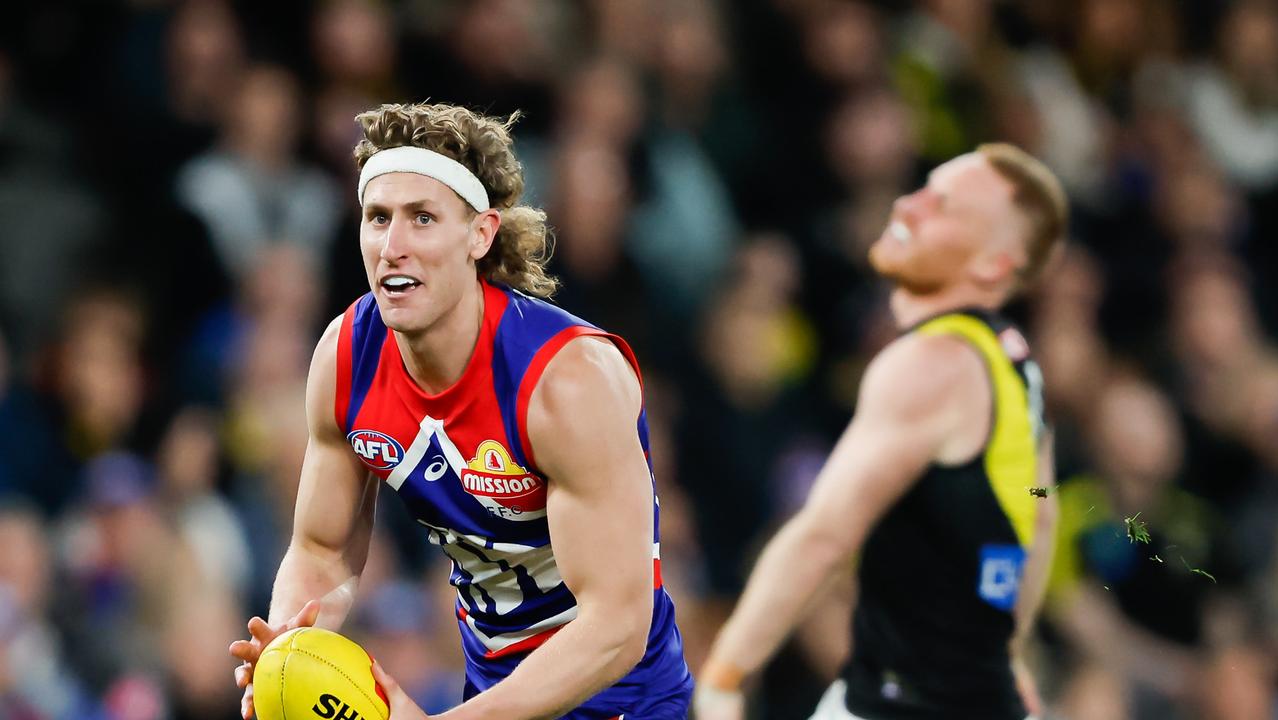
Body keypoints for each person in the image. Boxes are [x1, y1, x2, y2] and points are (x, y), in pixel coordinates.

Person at [229, 101, 693, 720]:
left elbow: (616, 627)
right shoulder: (346, 356)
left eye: (422, 218)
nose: (393, 246)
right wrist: (288, 648)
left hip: (619, 697)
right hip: (491, 691)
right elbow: (322, 549)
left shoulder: (565, 381)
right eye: (377, 218)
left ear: (481, 234)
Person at [695, 143, 1067, 720]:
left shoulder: (931, 364)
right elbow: (1039, 509)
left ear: (993, 264)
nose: (909, 205)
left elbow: (823, 536)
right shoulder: (1016, 364)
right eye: (924, 187)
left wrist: (726, 672)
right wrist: (1009, 649)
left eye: (943, 206)